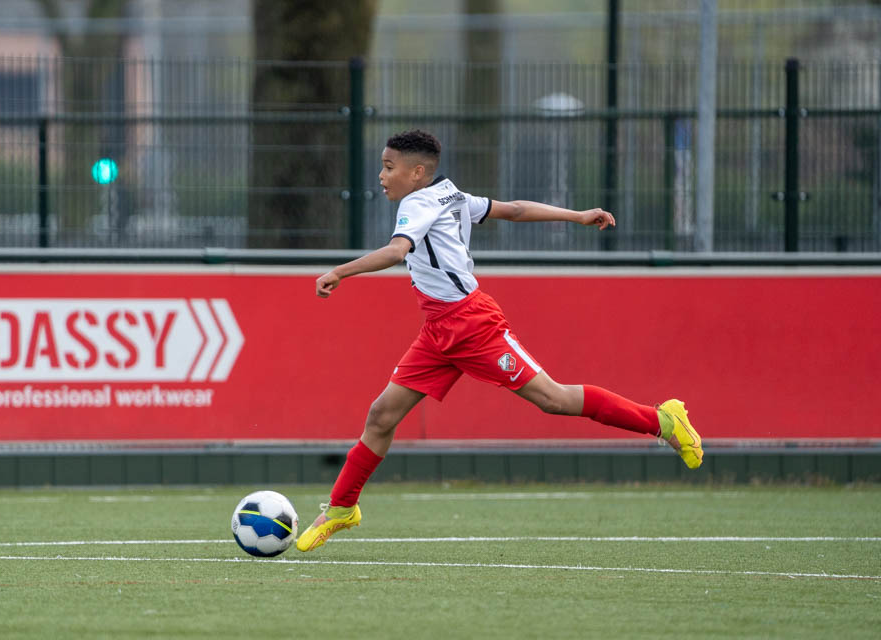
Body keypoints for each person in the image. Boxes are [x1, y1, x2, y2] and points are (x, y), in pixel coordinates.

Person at [295, 129, 702, 553]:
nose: (381, 175)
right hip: (438, 330)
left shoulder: (418, 203)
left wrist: (340, 271)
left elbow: (398, 251)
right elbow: (515, 210)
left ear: (417, 173)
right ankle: (342, 509)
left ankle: (662, 421)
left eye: (388, 166)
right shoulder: (450, 195)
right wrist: (577, 215)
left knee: (554, 399)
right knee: (381, 416)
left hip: (472, 326)